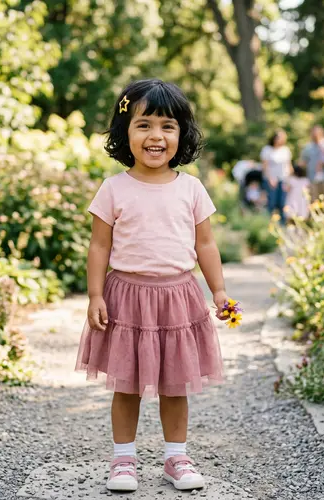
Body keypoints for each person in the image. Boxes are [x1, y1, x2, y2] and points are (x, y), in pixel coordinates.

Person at [75, 79, 227, 493]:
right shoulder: (114, 188)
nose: (156, 136)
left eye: (167, 126)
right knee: (126, 385)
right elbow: (99, 245)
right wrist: (94, 295)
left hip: (178, 297)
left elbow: (206, 244)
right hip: (126, 298)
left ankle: (175, 456)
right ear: (126, 131)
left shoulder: (191, 188)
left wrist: (218, 291)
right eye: (144, 125)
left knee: (174, 385)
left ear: (183, 135)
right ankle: (123, 461)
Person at [260, 129, 293, 223]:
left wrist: (290, 180)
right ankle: (269, 223)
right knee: (271, 202)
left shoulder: (285, 150)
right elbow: (265, 166)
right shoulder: (267, 150)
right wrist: (270, 178)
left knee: (282, 202)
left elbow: (289, 166)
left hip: (283, 179)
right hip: (271, 179)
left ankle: (282, 224)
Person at [299, 125, 324, 202]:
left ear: (321, 133)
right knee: (314, 202)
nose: (315, 135)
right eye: (313, 133)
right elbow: (302, 163)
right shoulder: (307, 147)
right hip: (312, 179)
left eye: (317, 133)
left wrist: (323, 163)